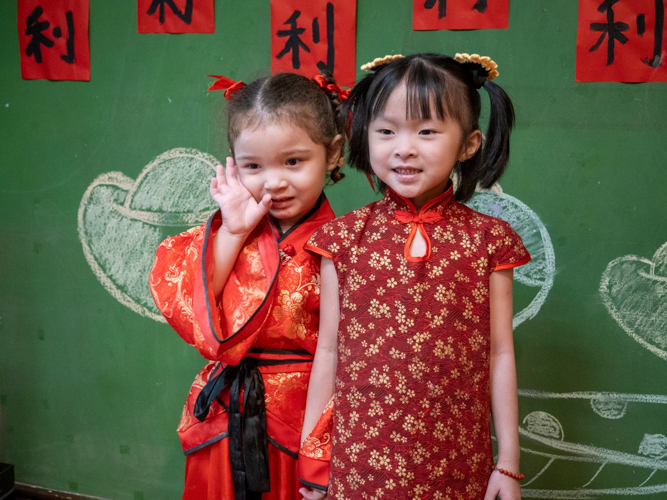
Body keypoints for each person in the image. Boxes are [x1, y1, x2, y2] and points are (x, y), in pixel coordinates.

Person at [298, 53, 530, 500]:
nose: (404, 148)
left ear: (469, 144)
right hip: (359, 460)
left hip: (458, 461)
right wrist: (313, 455)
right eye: (386, 131)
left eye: (427, 131)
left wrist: (508, 466)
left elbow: (501, 355)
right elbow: (328, 350)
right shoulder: (343, 240)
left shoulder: (489, 241)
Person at [149, 70, 347, 500]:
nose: (273, 182)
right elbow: (194, 301)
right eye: (253, 166)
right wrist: (234, 233)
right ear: (234, 164)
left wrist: (321, 448)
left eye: (293, 162)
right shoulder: (230, 230)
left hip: (305, 419)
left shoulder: (346, 243)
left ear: (332, 153)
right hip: (224, 414)